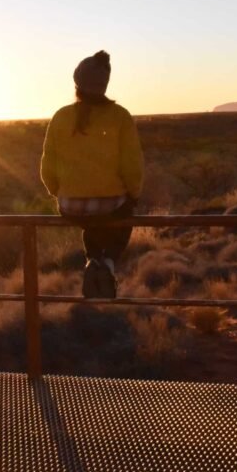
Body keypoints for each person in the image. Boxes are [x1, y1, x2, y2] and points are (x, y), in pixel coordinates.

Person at [40, 50, 144, 298]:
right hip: (112, 205)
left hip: (69, 205)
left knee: (89, 220)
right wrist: (134, 193)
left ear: (77, 82)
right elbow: (132, 164)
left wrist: (58, 192)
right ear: (104, 84)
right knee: (122, 213)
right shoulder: (120, 116)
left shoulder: (60, 116)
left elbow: (47, 165)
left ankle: (92, 262)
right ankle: (106, 263)